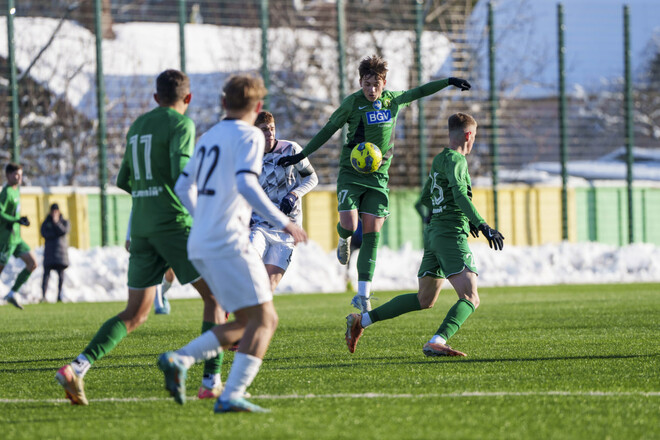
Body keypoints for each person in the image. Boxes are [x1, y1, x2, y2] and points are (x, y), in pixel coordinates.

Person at [56, 69, 225, 405]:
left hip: (144, 227)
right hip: (174, 223)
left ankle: (78, 366)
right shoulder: (182, 125)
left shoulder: (137, 126)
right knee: (216, 298)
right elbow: (181, 174)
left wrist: (149, 195)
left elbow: (124, 180)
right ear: (187, 99)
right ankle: (211, 380)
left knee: (135, 314)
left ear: (155, 97)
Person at [158, 74, 307, 413]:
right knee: (265, 319)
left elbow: (183, 187)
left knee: (244, 320)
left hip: (201, 242)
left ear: (223, 103)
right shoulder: (251, 136)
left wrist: (204, 218)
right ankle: (229, 394)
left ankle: (182, 361)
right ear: (256, 108)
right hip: (228, 240)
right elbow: (247, 185)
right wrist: (284, 221)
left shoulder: (208, 136)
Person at [277, 54, 471, 314]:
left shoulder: (393, 101)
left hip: (379, 179)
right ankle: (343, 238)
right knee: (349, 225)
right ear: (360, 82)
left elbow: (420, 90)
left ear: (384, 83)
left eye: (375, 85)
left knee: (372, 232)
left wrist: (448, 81)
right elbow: (327, 130)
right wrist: (301, 155)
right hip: (351, 174)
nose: (371, 90)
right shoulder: (352, 104)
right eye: (366, 84)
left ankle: (363, 294)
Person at [344, 113, 504, 357]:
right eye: (474, 137)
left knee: (425, 299)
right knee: (471, 297)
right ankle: (437, 340)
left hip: (434, 234)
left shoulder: (439, 159)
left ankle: (361, 321)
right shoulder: (458, 161)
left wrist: (448, 217)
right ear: (469, 135)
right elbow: (460, 196)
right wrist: (482, 225)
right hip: (450, 235)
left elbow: (426, 200)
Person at [251, 111, 318, 291]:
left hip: (287, 230)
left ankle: (255, 317)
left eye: (272, 129)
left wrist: (295, 194)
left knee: (268, 287)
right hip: (260, 225)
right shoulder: (249, 156)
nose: (270, 133)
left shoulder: (291, 149)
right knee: (248, 268)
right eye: (264, 130)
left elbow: (312, 178)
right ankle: (230, 306)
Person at [124, 210, 176, 314]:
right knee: (157, 269)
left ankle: (160, 294)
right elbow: (134, 211)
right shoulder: (141, 196)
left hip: (167, 235)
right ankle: (159, 305)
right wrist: (127, 237)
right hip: (147, 236)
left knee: (170, 275)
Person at [1, 163, 37, 310]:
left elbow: (13, 212)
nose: (19, 177)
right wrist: (15, 220)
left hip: (17, 239)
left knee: (32, 263)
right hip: (6, 239)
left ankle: (12, 293)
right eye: (16, 174)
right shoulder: (6, 192)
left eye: (20, 174)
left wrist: (20, 220)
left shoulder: (17, 190)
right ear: (8, 175)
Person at [40, 203, 70, 302]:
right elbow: (44, 233)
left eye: (56, 211)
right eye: (53, 211)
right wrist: (55, 232)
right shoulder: (46, 222)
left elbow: (63, 231)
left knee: (61, 276)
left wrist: (56, 223)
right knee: (46, 275)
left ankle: (59, 296)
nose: (54, 213)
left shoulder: (64, 222)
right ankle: (43, 296)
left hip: (60, 254)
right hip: (49, 253)